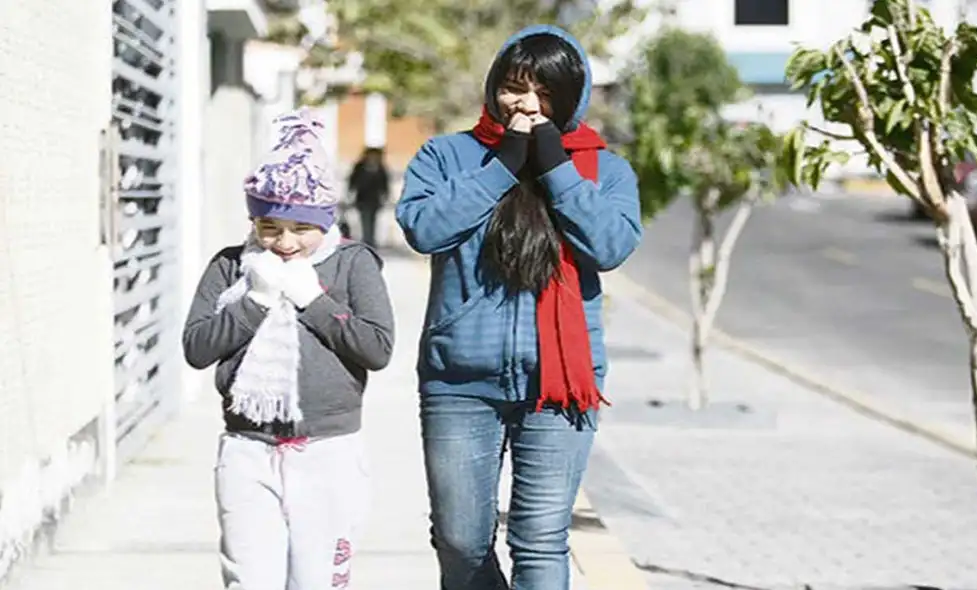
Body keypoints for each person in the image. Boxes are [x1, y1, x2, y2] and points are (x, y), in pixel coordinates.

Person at [395, 25, 642, 590]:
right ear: (493, 88)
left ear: (572, 97)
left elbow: (610, 246)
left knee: (539, 540)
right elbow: (424, 229)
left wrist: (556, 168)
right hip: (459, 383)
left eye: (546, 92)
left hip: (559, 385)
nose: (527, 104)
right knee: (460, 542)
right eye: (514, 87)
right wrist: (502, 165)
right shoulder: (448, 155)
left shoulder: (604, 169)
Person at [182, 109, 395, 590]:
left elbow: (377, 348)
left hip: (329, 451)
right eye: (270, 227)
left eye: (302, 228)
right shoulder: (232, 267)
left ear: (325, 220)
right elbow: (196, 347)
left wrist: (313, 301)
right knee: (248, 581)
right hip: (246, 450)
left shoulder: (353, 265)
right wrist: (255, 301)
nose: (285, 243)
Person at [348, 147, 391, 248]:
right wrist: (351, 193)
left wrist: (386, 195)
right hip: (362, 199)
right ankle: (367, 240)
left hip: (375, 200)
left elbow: (384, 184)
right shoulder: (360, 167)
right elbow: (353, 181)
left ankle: (370, 239)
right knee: (365, 219)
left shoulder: (380, 167)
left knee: (373, 220)